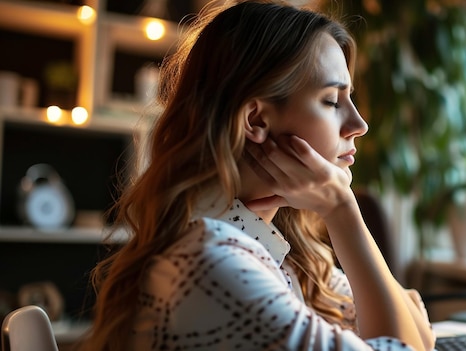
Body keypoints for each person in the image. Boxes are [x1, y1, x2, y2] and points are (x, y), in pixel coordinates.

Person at [79, 1, 435, 350]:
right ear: (256, 121)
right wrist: (342, 211)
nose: (359, 125)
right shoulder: (211, 265)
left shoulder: (287, 254)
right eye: (331, 100)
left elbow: (417, 341)